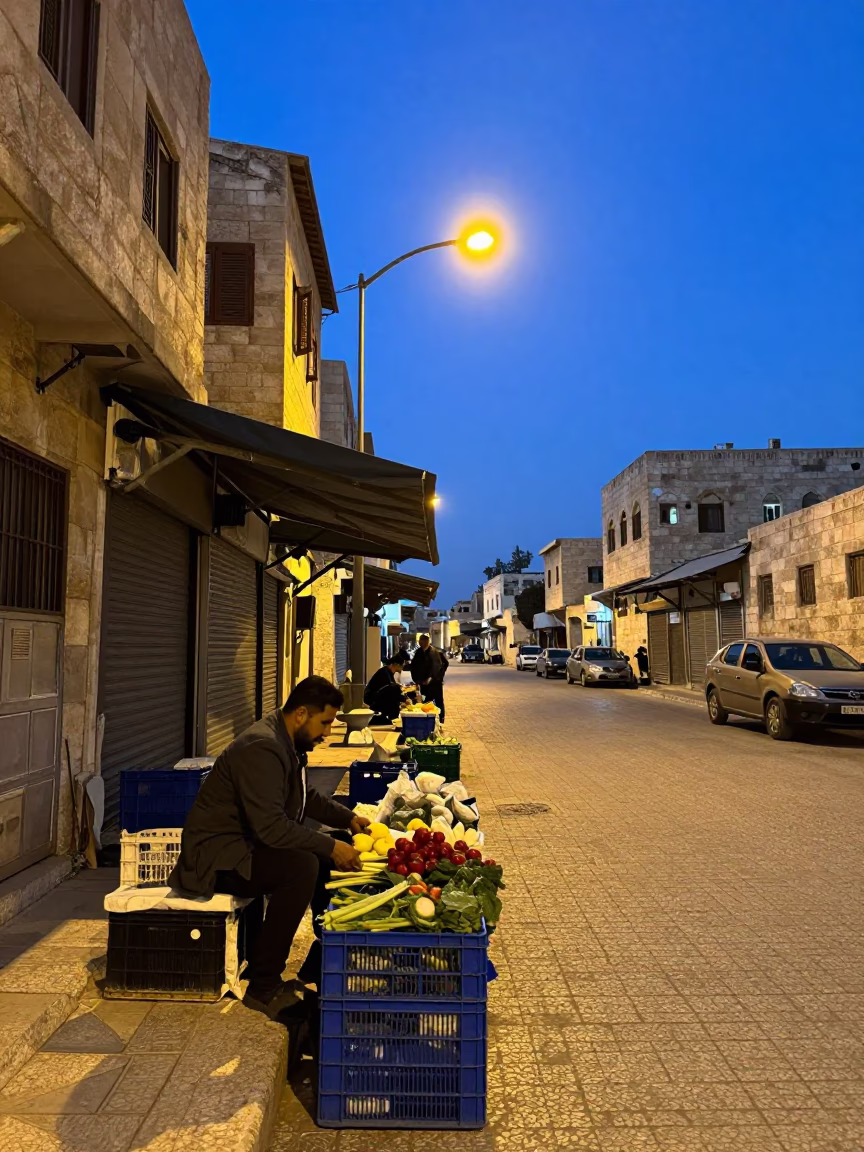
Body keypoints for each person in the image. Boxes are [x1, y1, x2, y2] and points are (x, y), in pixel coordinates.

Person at [168, 675, 371, 1018]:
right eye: (325, 723)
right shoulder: (263, 747)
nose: (326, 734)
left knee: (322, 852)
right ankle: (263, 984)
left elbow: (303, 798)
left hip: (244, 847)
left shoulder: (286, 741)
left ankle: (323, 954)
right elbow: (272, 828)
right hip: (217, 859)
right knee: (303, 865)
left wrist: (347, 819)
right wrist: (329, 847)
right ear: (302, 714)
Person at [410, 634, 449, 721]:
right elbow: (414, 667)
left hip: (435, 682)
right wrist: (416, 680)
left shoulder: (436, 652)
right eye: (420, 642)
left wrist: (439, 675)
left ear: (427, 642)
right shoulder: (418, 653)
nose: (421, 643)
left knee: (438, 701)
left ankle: (441, 718)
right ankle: (428, 720)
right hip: (423, 683)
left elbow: (444, 664)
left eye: (422, 641)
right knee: (426, 701)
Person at [364, 652, 409, 722]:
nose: (403, 668)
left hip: (376, 699)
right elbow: (391, 691)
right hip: (373, 702)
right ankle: (391, 719)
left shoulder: (387, 672)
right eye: (402, 665)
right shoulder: (384, 674)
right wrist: (404, 699)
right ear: (396, 664)